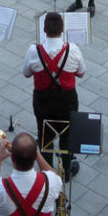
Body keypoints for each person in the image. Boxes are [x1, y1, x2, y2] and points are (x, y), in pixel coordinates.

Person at [22, 11, 85, 174]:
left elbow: (26, 73)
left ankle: (47, 172)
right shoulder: (73, 49)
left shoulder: (33, 51)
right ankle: (67, 169)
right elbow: (81, 72)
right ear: (62, 29)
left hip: (43, 102)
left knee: (45, 137)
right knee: (67, 136)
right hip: (67, 102)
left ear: (44, 30)